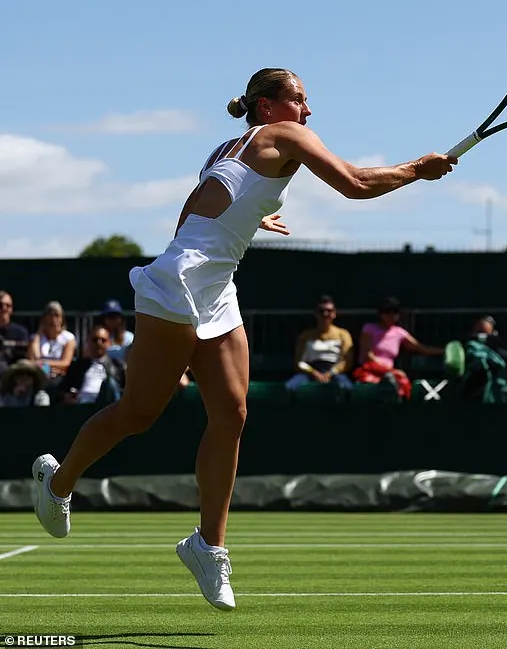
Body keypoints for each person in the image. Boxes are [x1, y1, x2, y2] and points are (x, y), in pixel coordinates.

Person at [32, 67, 457, 611]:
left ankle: (207, 545)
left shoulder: (226, 150)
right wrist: (417, 170)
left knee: (232, 413)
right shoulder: (287, 137)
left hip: (217, 286)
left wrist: (252, 222)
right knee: (139, 413)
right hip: (180, 280)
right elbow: (356, 184)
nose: (308, 112)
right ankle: (59, 482)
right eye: (299, 100)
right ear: (266, 107)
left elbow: (196, 211)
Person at [353, 296, 444, 399]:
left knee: (402, 383)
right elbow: (368, 355)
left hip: (390, 375)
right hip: (370, 370)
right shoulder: (369, 328)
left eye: (394, 312)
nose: (391, 316)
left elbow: (422, 348)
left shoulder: (399, 333)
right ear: (380, 314)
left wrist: (444, 351)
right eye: (387, 312)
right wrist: (389, 370)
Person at [286, 295, 354, 391]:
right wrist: (314, 372)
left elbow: (346, 361)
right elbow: (298, 362)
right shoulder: (305, 335)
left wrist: (330, 373)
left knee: (347, 388)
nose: (325, 314)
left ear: (334, 313)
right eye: (321, 311)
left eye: (329, 311)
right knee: (290, 387)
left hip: (334, 372)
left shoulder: (343, 334)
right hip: (309, 372)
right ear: (316, 314)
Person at [26, 301, 77, 381]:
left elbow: (65, 363)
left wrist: (43, 362)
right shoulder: (35, 338)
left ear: (62, 318)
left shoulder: (69, 338)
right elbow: (32, 360)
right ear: (44, 319)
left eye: (57, 315)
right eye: (50, 315)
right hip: (38, 376)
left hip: (60, 378)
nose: (54, 319)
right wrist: (38, 333)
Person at [97, 299, 135, 364]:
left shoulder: (129, 337)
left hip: (123, 371)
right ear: (103, 318)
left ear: (121, 318)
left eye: (115, 316)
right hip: (101, 371)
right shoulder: (97, 337)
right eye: (109, 316)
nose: (112, 319)